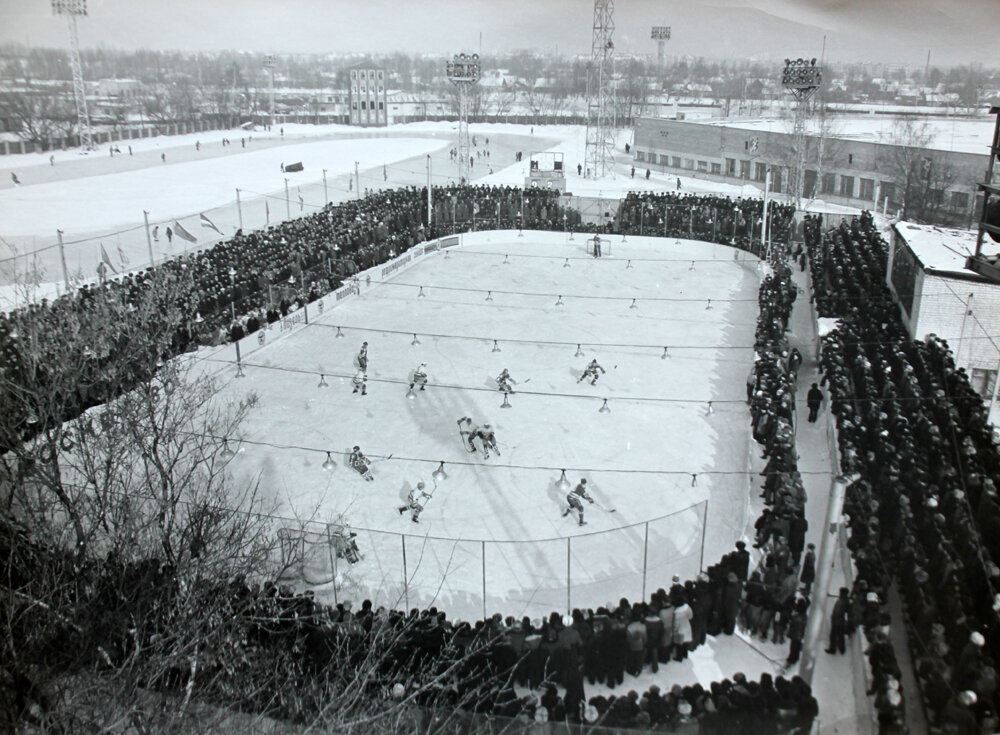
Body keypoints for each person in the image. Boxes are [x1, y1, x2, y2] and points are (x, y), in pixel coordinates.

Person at [826, 587, 851, 655]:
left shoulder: (845, 601)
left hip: (839, 621)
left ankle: (840, 649)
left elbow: (848, 611)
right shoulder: (841, 600)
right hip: (836, 620)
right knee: (835, 636)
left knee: (839, 636)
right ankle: (835, 649)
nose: (840, 594)